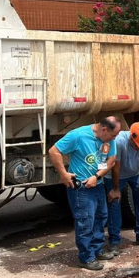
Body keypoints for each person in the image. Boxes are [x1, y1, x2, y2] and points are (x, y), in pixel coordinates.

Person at [48, 116, 121, 270]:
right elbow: (54, 151)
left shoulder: (109, 140)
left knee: (101, 218)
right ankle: (86, 258)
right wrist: (63, 174)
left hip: (98, 185)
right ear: (104, 129)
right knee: (85, 222)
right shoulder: (78, 135)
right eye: (113, 135)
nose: (115, 139)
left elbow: (111, 160)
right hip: (82, 188)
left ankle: (97, 250)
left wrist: (97, 176)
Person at [104, 122, 139, 253]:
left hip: (134, 174)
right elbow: (115, 167)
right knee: (114, 202)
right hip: (115, 175)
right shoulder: (118, 141)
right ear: (131, 137)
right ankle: (114, 242)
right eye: (136, 146)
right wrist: (116, 189)